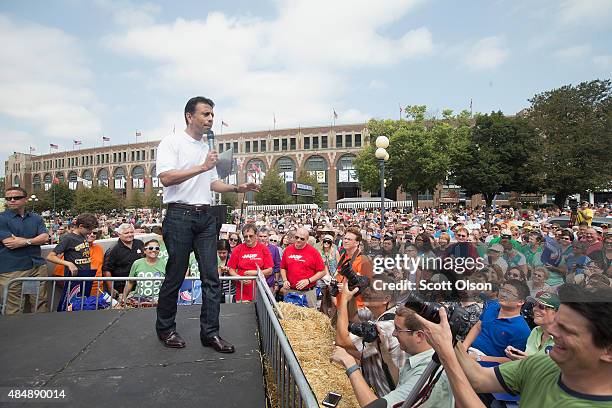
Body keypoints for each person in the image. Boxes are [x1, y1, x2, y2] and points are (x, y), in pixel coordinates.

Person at [155, 96, 258, 351]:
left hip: (206, 216)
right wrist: (202, 166)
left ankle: (210, 333)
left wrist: (237, 187)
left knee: (211, 277)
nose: (210, 119)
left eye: (212, 114)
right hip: (179, 215)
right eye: (205, 114)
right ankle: (166, 329)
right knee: (176, 275)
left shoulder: (207, 148)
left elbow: (213, 183)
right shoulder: (172, 142)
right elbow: (166, 178)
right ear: (190, 116)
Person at [414, 284, 612, 408]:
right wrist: (450, 340)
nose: (553, 333)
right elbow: (479, 379)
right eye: (557, 324)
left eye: (568, 331)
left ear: (608, 351)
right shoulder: (543, 365)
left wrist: (447, 353)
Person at [330, 306, 454, 408]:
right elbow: (398, 384)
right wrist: (384, 353)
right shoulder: (419, 355)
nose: (394, 334)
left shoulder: (426, 372)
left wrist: (350, 363)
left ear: (419, 336)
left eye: (398, 330)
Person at [334, 276, 404, 397]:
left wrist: (344, 299)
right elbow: (353, 316)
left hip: (388, 399)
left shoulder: (388, 326)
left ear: (386, 299)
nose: (366, 291)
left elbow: (341, 340)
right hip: (377, 392)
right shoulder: (379, 312)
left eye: (373, 290)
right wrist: (352, 295)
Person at [0, 186, 50, 314]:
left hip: (36, 268)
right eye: (8, 198)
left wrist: (25, 241)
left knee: (40, 304)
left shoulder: (36, 218)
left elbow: (45, 237)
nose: (12, 200)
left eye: (16, 198)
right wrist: (34, 240)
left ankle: (40, 332)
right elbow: (10, 243)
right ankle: (15, 334)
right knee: (13, 308)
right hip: (12, 270)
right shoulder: (1, 219)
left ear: (25, 199)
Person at [463, 279, 531, 366]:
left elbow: (513, 360)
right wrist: (463, 348)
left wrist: (479, 358)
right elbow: (478, 327)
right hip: (468, 352)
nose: (503, 294)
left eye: (509, 293)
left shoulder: (522, 329)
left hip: (486, 366)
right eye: (502, 290)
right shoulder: (493, 307)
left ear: (520, 302)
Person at [47, 213, 99, 311]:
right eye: (89, 229)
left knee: (82, 306)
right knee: (70, 306)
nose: (91, 232)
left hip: (85, 276)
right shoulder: (68, 238)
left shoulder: (83, 237)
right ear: (80, 226)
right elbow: (50, 257)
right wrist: (68, 263)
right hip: (74, 279)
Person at [279, 227, 326, 308]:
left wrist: (308, 280)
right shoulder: (287, 250)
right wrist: (285, 280)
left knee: (310, 319)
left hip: (308, 292)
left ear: (307, 240)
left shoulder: (313, 252)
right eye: (296, 237)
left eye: (302, 239)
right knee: (290, 318)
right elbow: (283, 267)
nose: (298, 240)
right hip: (291, 291)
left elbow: (323, 271)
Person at [227, 223, 273, 302]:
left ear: (256, 235)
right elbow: (231, 269)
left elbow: (269, 270)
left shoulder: (263, 248)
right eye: (245, 236)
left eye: (251, 236)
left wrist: (255, 272)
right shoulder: (238, 249)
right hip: (242, 291)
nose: (248, 239)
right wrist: (239, 278)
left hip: (259, 291)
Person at [505, 292, 558, 360]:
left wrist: (526, 360)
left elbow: (554, 369)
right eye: (534, 305)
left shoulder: (562, 340)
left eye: (542, 307)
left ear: (557, 313)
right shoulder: (535, 331)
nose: (535, 309)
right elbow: (529, 359)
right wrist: (518, 355)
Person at [102, 223, 145, 298]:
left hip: (139, 288)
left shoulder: (139, 243)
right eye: (126, 233)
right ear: (119, 234)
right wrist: (111, 289)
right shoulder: (113, 249)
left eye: (131, 232)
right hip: (121, 289)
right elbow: (106, 270)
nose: (130, 235)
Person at [121, 238, 167, 304]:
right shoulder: (137, 263)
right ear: (145, 251)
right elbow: (130, 282)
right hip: (138, 299)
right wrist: (123, 298)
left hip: (158, 300)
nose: (154, 250)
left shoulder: (164, 264)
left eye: (157, 248)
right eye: (150, 248)